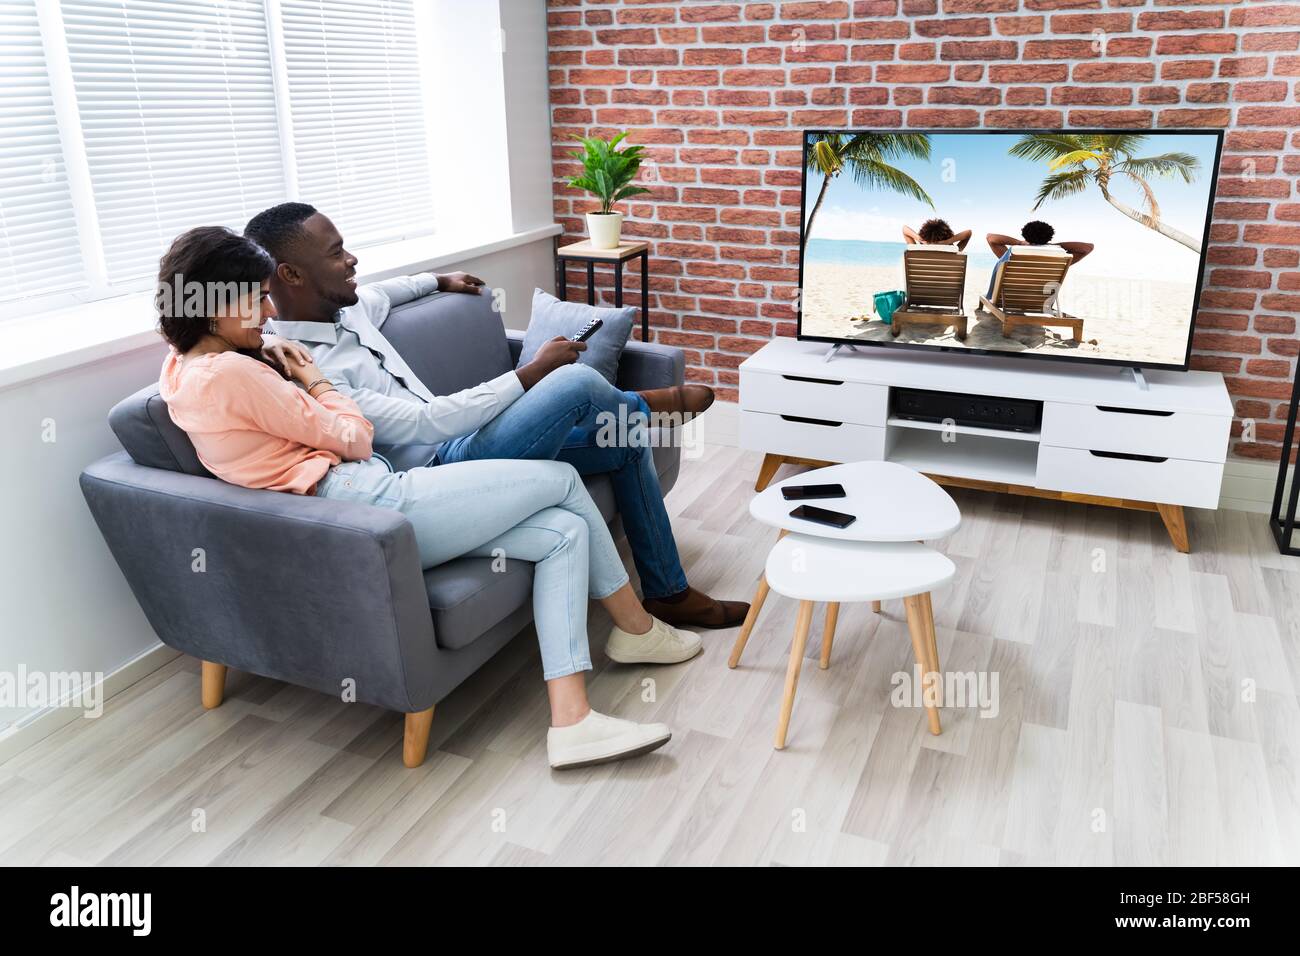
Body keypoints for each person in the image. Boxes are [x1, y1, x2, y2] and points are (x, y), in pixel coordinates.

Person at [154, 226, 703, 771]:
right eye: (253, 297)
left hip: (364, 504)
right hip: (372, 500)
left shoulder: (180, 367)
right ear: (212, 306)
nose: (265, 310)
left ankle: (573, 720)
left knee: (564, 531)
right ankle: (636, 627)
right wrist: (314, 380)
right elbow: (356, 436)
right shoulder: (233, 372)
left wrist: (272, 349)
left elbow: (363, 318)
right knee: (560, 480)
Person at [244, 202, 748, 630]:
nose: (352, 260)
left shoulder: (346, 307)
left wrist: (440, 279)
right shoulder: (302, 366)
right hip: (435, 475)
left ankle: (667, 592)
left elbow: (390, 290)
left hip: (465, 441)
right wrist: (530, 373)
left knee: (625, 444)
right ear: (290, 274)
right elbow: (427, 425)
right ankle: (644, 404)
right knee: (571, 380)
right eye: (336, 254)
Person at [984, 220, 1094, 299]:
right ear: (1049, 237)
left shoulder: (1012, 256)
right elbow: (1088, 248)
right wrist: (1054, 245)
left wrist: (1020, 243)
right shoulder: (1059, 260)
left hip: (1009, 298)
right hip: (1040, 301)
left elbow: (990, 238)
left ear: (1025, 235)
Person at [903, 218, 971, 251]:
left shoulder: (917, 251)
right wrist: (948, 241)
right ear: (948, 236)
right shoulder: (954, 252)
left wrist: (921, 240)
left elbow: (904, 229)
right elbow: (968, 233)